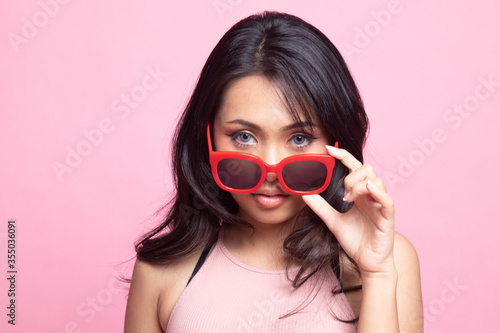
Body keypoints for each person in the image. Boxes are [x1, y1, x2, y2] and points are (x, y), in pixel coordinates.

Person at [124, 11, 423, 332]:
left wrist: (376, 273)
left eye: (299, 138)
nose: (270, 167)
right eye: (244, 136)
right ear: (208, 137)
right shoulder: (161, 271)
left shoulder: (389, 260)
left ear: (336, 141)